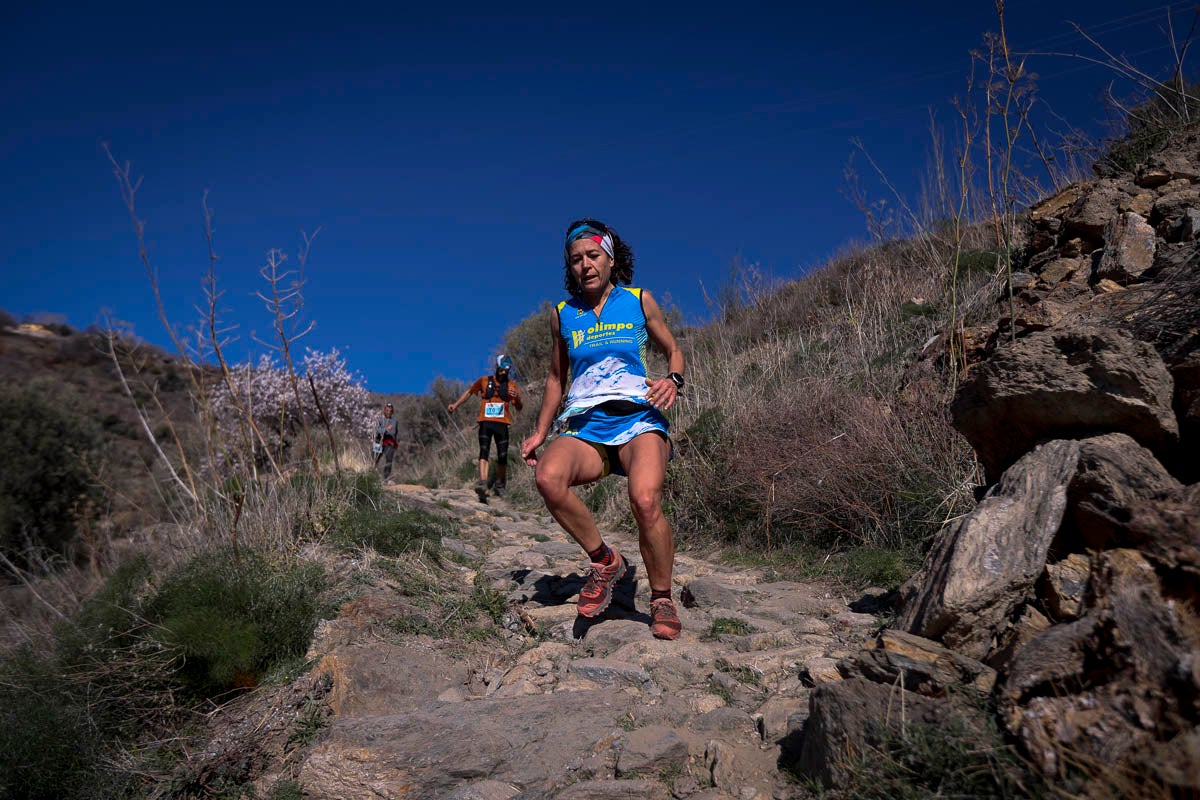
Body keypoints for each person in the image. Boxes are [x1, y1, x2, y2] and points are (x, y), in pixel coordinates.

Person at [520, 218, 686, 641]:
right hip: (586, 426)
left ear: (610, 259)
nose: (585, 265)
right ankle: (605, 560)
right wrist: (541, 432)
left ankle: (662, 596)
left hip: (638, 419)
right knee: (548, 477)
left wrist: (674, 379)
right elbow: (557, 378)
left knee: (645, 501)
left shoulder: (638, 299)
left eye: (593, 255)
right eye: (576, 259)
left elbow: (674, 350)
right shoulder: (563, 315)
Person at [448, 354, 524, 501]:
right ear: (497, 367)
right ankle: (483, 483)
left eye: (506, 370)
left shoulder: (512, 386)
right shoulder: (484, 381)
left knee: (502, 456)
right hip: (485, 422)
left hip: (502, 423)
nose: (504, 373)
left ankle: (500, 485)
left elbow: (519, 407)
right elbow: (469, 392)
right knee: (484, 451)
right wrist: (455, 405)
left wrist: (518, 397)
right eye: (501, 369)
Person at [373, 401, 400, 481]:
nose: (389, 412)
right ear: (384, 410)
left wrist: (383, 430)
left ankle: (385, 478)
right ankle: (372, 475)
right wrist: (386, 429)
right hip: (378, 442)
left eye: (390, 411)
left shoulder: (394, 421)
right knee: (375, 459)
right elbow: (376, 430)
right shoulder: (379, 420)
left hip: (389, 443)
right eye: (387, 410)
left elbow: (393, 432)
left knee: (389, 460)